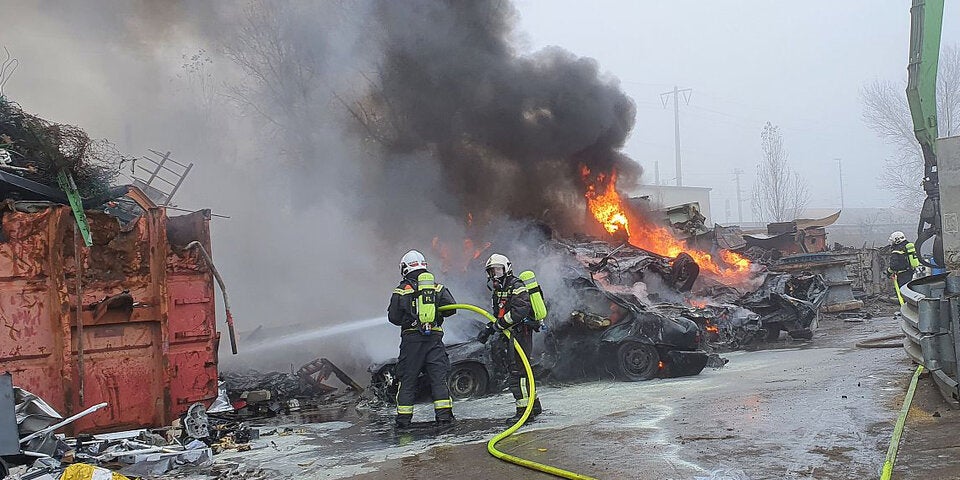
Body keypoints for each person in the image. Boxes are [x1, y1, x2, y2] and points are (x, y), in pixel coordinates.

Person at [387, 250, 457, 429]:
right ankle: (444, 418)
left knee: (408, 380)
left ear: (405, 267)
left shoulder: (402, 290)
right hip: (434, 339)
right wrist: (434, 313)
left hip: (412, 341)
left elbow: (393, 317)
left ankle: (403, 421)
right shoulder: (436, 287)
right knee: (438, 380)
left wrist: (410, 317)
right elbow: (451, 308)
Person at [476, 253, 543, 423]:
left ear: (507, 269)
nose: (494, 275)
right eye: (491, 271)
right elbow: (497, 314)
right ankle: (534, 406)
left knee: (517, 373)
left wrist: (498, 326)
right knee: (524, 370)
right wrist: (489, 329)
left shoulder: (516, 286)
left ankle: (524, 413)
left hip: (520, 333)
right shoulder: (499, 290)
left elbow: (519, 311)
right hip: (511, 334)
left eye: (498, 270)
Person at [885, 231, 921, 301]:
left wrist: (888, 272)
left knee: (903, 292)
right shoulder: (907, 247)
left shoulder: (896, 251)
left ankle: (905, 305)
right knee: (909, 290)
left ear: (896, 240)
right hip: (910, 271)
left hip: (902, 275)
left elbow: (893, 266)